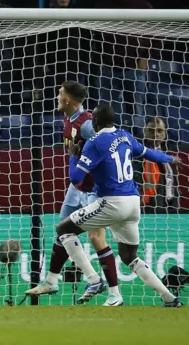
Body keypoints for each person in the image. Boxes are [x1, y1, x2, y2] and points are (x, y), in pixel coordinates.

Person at [58, 104, 182, 307]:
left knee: (63, 229)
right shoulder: (125, 136)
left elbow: (76, 177)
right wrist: (171, 158)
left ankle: (94, 280)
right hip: (134, 203)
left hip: (112, 203)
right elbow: (149, 153)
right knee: (129, 255)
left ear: (95, 122)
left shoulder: (95, 142)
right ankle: (169, 298)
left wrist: (73, 155)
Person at [25, 82, 122, 306]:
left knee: (96, 238)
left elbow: (110, 146)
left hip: (93, 189)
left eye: (59, 94)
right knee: (62, 230)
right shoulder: (68, 118)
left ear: (68, 100)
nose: (57, 97)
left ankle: (111, 292)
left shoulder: (87, 124)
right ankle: (51, 281)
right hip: (75, 188)